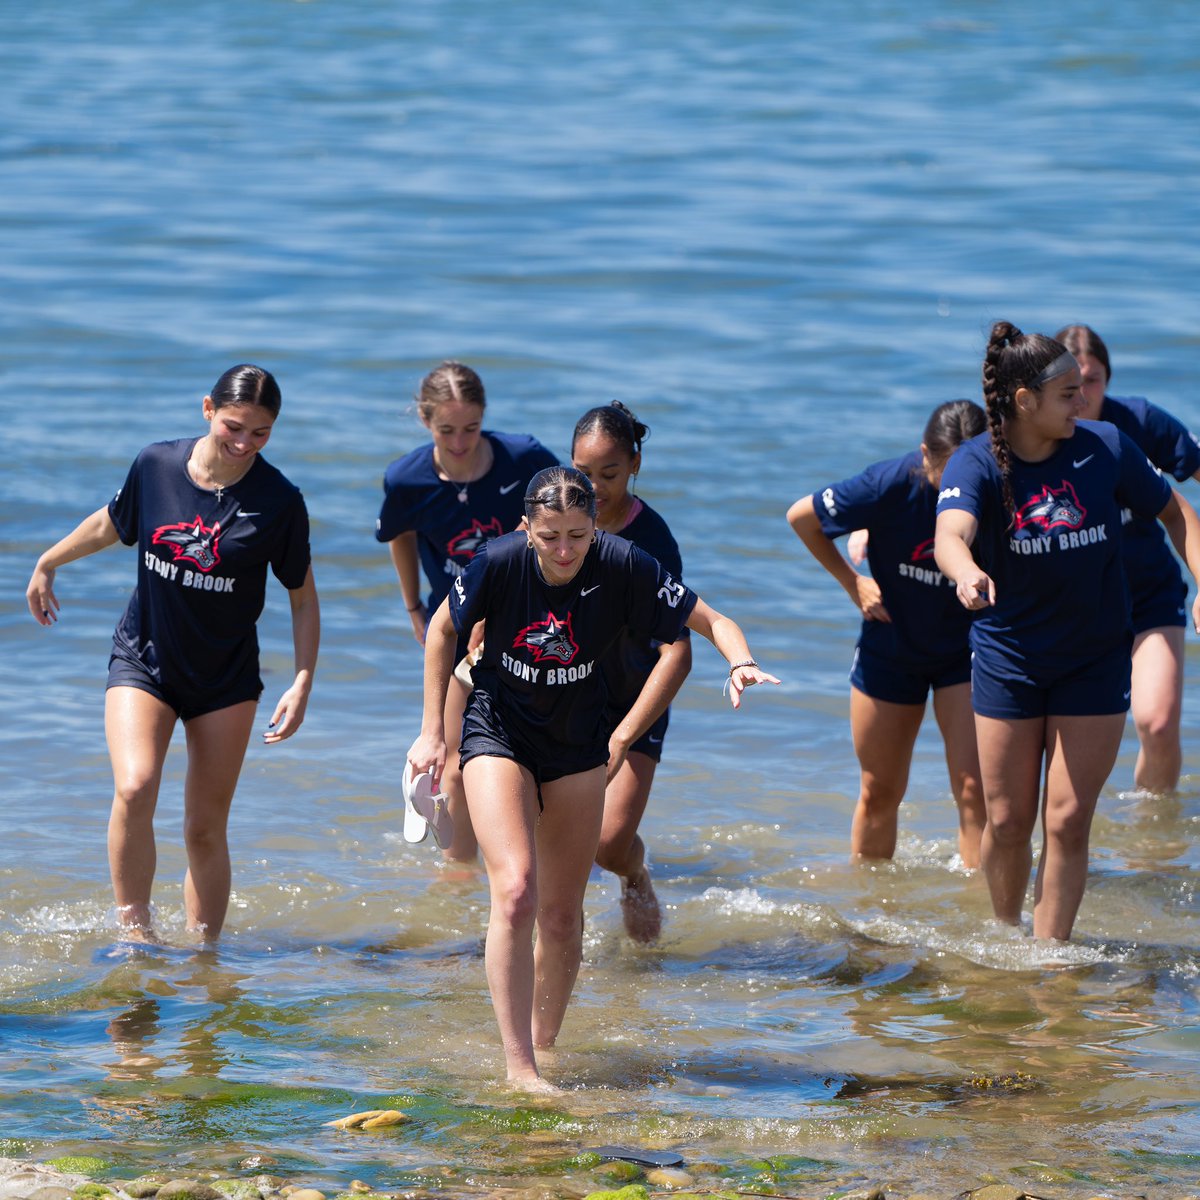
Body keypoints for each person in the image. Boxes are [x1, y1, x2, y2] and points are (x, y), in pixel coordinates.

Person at [406, 466, 778, 1090]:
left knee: (560, 915)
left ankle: (543, 1050)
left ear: (593, 527)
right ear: (527, 526)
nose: (565, 551)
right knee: (518, 891)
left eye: (578, 535)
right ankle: (518, 1065)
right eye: (550, 536)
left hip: (580, 743)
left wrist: (740, 662)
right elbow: (442, 629)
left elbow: (709, 622)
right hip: (499, 730)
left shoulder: (624, 562)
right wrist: (431, 732)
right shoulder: (497, 562)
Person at [25, 364, 318, 940]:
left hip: (225, 678)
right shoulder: (155, 464)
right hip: (145, 660)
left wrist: (303, 679)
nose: (243, 444)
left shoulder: (279, 501)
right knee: (135, 787)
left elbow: (303, 599)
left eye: (260, 434)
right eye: (234, 426)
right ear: (207, 409)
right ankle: (136, 935)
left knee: (203, 829)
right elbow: (113, 524)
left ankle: (204, 958)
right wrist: (49, 561)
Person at [934, 322, 1200, 942]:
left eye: (1083, 390)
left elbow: (1176, 512)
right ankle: (1005, 933)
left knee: (1069, 819)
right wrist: (966, 570)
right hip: (1011, 660)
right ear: (1024, 400)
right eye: (1067, 395)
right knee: (1006, 820)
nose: (1082, 404)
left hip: (1094, 659)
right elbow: (951, 533)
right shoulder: (976, 461)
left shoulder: (1105, 446)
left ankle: (1048, 957)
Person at [787, 400, 987, 866]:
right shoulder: (888, 484)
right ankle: (871, 921)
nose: (959, 487)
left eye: (970, 472)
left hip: (967, 650)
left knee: (975, 791)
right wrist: (853, 583)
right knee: (879, 790)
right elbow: (803, 517)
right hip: (891, 646)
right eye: (945, 473)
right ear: (924, 455)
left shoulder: (996, 490)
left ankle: (985, 920)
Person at [376, 362, 557, 861]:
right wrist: (413, 604)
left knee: (534, 752)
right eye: (446, 430)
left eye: (471, 428)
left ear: (485, 418)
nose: (459, 442)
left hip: (530, 626)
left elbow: (565, 516)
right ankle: (456, 879)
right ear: (424, 420)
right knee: (454, 760)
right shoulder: (406, 479)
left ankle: (532, 860)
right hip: (453, 627)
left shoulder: (524, 458)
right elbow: (399, 535)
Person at [1056, 324, 1200, 794]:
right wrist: (879, 525)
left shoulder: (1137, 423)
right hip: (1074, 607)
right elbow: (961, 473)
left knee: (1157, 725)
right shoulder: (1040, 435)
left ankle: (1152, 838)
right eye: (1071, 383)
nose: (1082, 394)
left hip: (1148, 596)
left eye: (1093, 380)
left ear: (1108, 380)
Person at [571, 401, 692, 941]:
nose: (593, 487)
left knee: (609, 843)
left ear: (636, 463)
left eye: (609, 474)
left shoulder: (654, 543)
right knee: (557, 844)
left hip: (634, 703)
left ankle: (636, 872)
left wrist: (622, 737)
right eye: (582, 473)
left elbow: (677, 651)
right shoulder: (559, 520)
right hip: (566, 697)